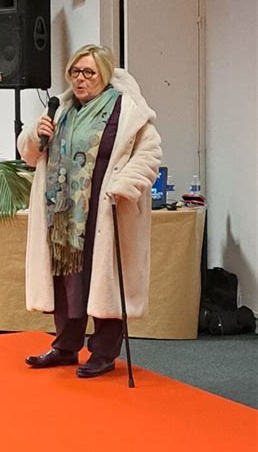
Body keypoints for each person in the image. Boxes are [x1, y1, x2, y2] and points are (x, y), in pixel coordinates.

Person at [17, 44, 162, 378]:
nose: (80, 80)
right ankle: (66, 346)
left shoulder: (125, 110)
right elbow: (30, 154)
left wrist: (125, 185)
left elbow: (150, 152)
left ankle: (104, 352)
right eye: (75, 72)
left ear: (105, 75)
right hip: (65, 213)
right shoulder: (62, 108)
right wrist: (35, 134)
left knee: (105, 278)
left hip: (105, 208)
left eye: (89, 73)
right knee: (68, 280)